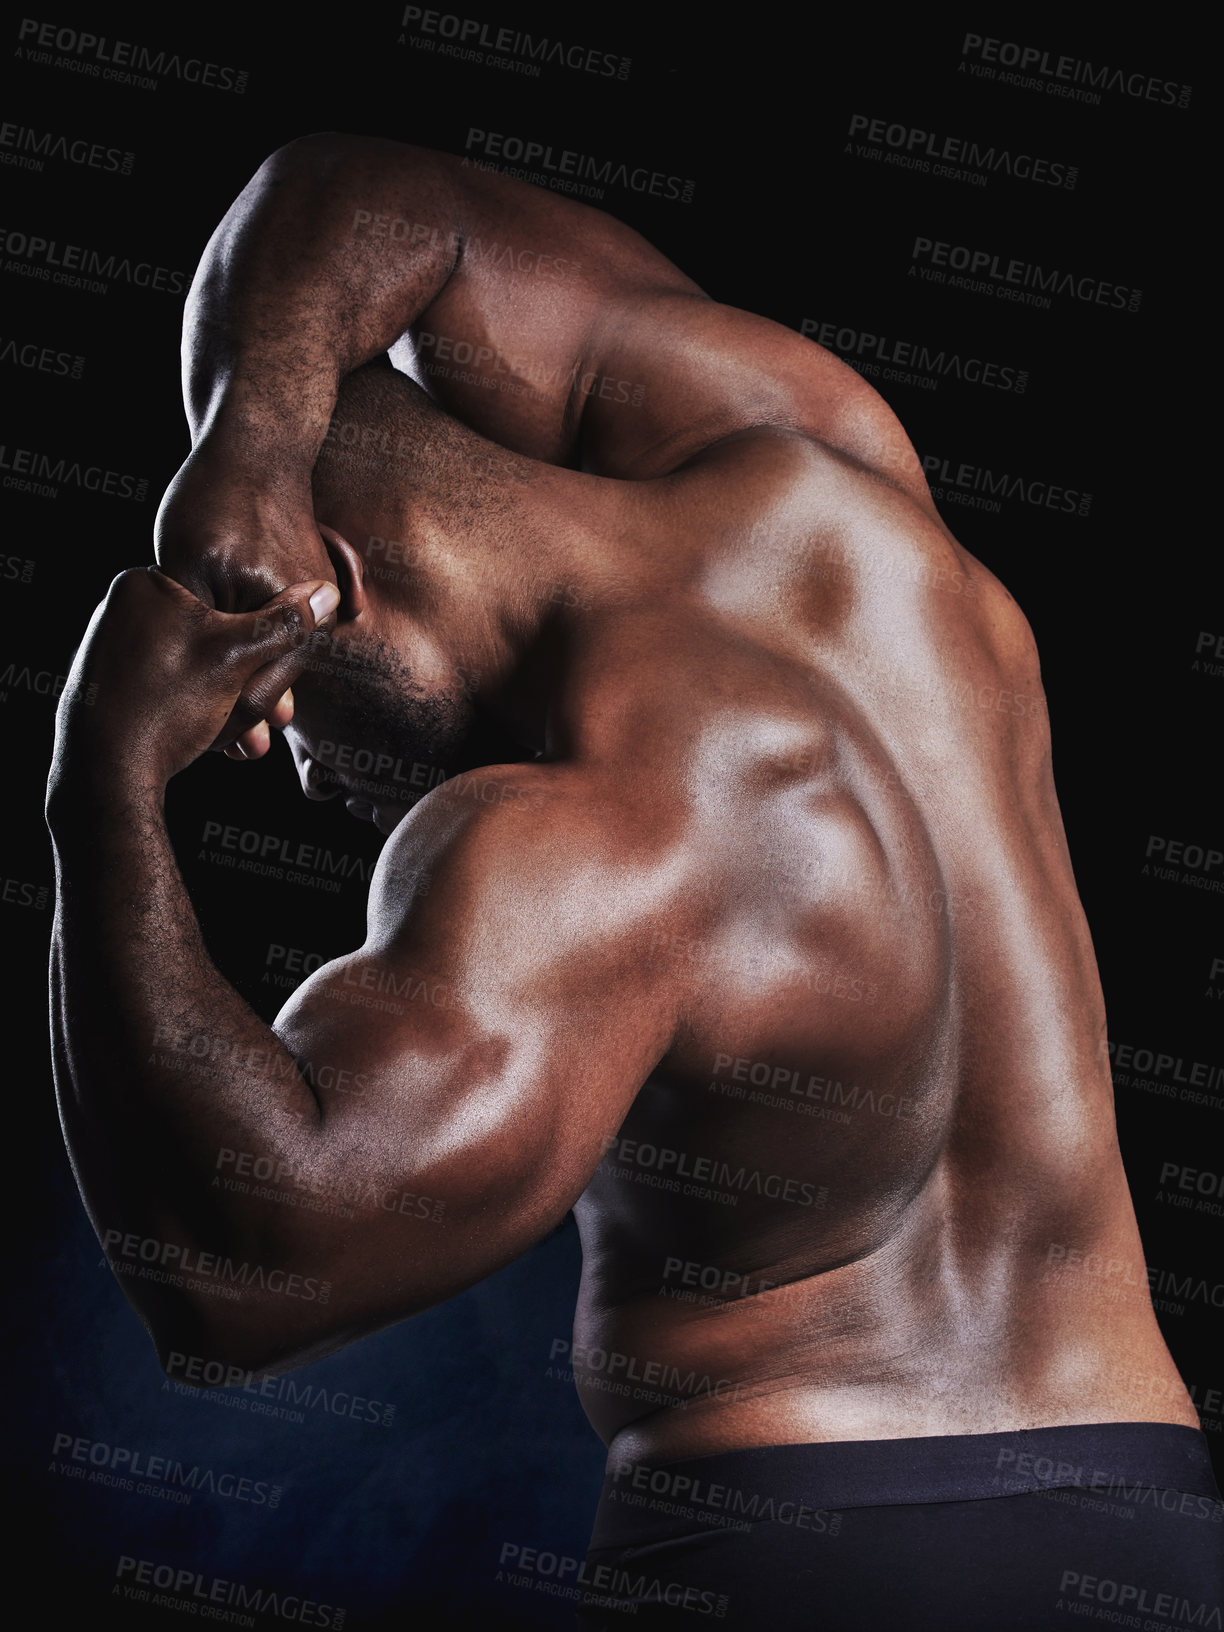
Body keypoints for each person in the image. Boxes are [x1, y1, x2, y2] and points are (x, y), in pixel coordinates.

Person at [48, 136, 1221, 1628]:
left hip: (806, 1554)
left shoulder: (603, 831)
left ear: (329, 581)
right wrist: (246, 450)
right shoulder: (818, 454)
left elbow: (237, 1270)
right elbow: (366, 198)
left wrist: (100, 791)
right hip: (1155, 1525)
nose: (294, 767)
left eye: (276, 716)